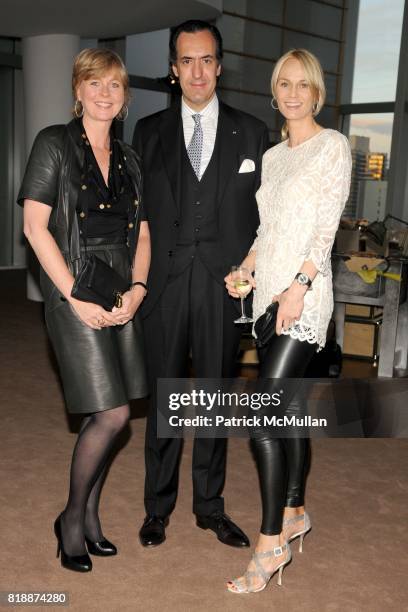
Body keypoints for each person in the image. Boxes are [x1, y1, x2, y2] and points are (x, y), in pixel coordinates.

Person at [133, 20, 269, 548]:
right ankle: (157, 508)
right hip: (164, 284)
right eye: (186, 60)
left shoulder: (252, 131)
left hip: (224, 285)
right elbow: (138, 216)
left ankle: (210, 506)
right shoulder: (147, 131)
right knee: (166, 401)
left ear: (219, 66)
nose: (197, 70)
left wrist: (257, 273)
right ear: (173, 70)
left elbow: (267, 217)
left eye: (206, 60)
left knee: (214, 396)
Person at [18, 48, 150, 572]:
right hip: (72, 281)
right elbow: (34, 227)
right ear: (78, 90)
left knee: (113, 414)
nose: (104, 93)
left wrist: (138, 289)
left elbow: (142, 232)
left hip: (121, 285)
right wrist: (73, 295)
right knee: (112, 412)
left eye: (114, 86)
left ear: (124, 98)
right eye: (94, 84)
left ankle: (91, 517)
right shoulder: (52, 143)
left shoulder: (131, 157)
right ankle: (71, 519)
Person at [225, 48, 351, 593]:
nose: (293, 93)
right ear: (274, 92)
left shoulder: (333, 147)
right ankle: (296, 508)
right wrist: (246, 270)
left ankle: (271, 542)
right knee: (287, 409)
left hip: (304, 297)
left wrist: (297, 289)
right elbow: (266, 229)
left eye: (303, 84)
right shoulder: (273, 157)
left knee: (262, 415)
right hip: (267, 296)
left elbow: (325, 231)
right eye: (284, 84)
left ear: (316, 91)